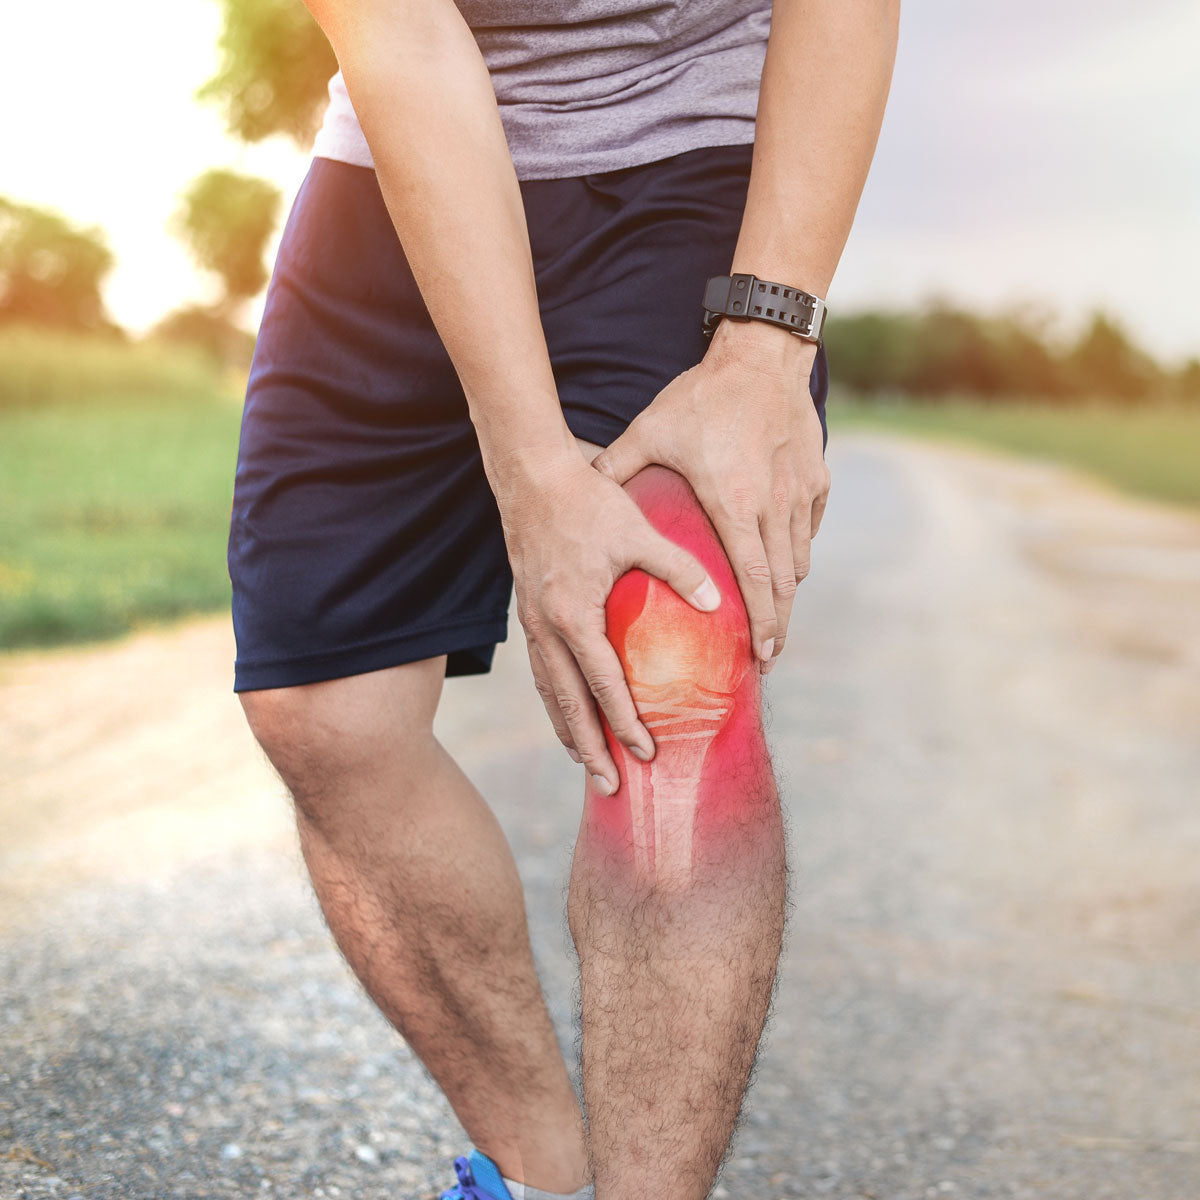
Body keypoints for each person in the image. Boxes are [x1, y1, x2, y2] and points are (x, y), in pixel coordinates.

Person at [226, 1, 899, 1197]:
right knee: (324, 715)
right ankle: (540, 1176)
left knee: (674, 681)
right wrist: (532, 468)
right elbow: (400, 37)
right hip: (400, 151)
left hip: (691, 141)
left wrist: (762, 349)